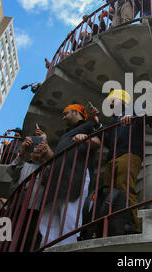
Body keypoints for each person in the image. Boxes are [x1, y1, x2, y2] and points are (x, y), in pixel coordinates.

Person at [39, 104, 101, 247]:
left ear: (76, 112)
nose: (63, 117)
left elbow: (98, 142)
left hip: (75, 176)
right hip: (56, 181)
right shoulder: (66, 134)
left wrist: (86, 138)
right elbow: (55, 158)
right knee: (49, 220)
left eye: (66, 113)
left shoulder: (88, 125)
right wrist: (45, 145)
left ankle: (68, 248)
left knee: (70, 217)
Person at [0, 132, 51, 251]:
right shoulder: (24, 164)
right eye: (35, 149)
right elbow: (12, 172)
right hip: (15, 207)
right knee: (5, 239)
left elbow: (51, 176)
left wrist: (45, 143)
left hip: (35, 209)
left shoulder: (46, 167)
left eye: (40, 149)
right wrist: (22, 151)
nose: (37, 150)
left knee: (29, 240)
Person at [102, 90, 144, 232]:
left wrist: (133, 117)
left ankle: (135, 226)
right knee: (108, 194)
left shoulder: (135, 110)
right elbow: (108, 141)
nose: (111, 103)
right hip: (113, 158)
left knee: (124, 188)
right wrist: (97, 126)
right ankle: (114, 228)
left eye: (113, 100)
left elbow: (147, 119)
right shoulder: (114, 121)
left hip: (130, 154)